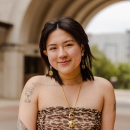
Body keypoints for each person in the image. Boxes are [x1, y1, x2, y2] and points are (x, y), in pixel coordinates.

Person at [18, 17, 116, 130]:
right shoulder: (35, 86)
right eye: (53, 48)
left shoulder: (103, 88)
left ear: (82, 48)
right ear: (46, 53)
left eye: (68, 45)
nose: (62, 54)